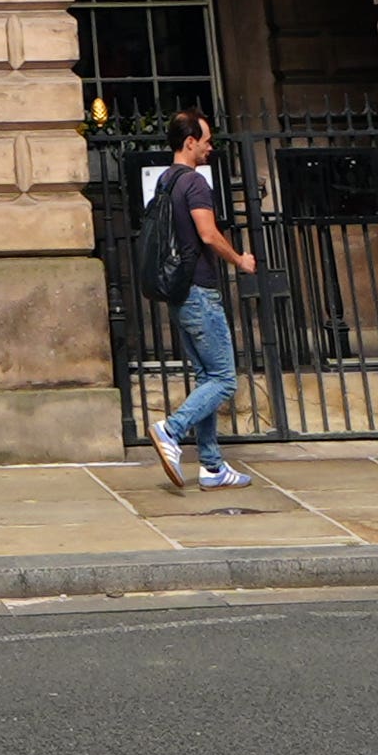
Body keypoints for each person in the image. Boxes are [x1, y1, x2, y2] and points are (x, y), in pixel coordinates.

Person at [149, 110, 257, 493]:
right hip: (199, 291)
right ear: (189, 142)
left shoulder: (165, 180)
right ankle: (171, 430)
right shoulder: (193, 183)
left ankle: (211, 465)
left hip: (180, 293)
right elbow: (208, 235)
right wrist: (239, 259)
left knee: (206, 377)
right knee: (225, 379)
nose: (211, 147)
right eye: (206, 140)